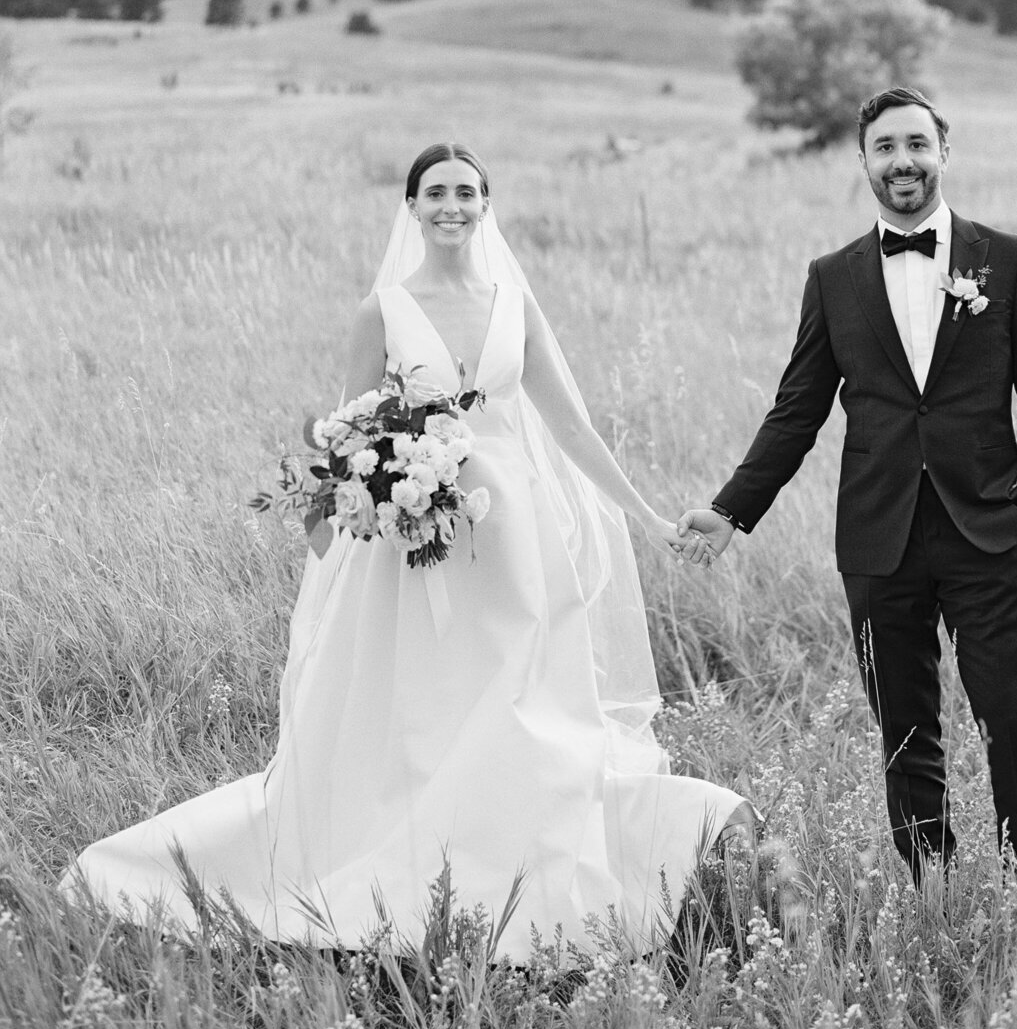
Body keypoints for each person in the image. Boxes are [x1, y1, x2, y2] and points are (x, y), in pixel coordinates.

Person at [65, 142, 752, 956]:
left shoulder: (516, 306)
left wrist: (650, 517)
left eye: (467, 192)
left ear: (486, 205)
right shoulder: (383, 310)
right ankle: (411, 841)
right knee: (424, 697)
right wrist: (337, 524)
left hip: (515, 539)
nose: (452, 205)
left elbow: (573, 429)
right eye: (436, 193)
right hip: (413, 540)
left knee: (523, 693)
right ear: (413, 207)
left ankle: (513, 835)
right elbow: (346, 432)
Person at [677, 87, 1017, 882]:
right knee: (904, 725)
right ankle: (931, 882)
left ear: (944, 152)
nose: (903, 162)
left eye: (917, 144)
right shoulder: (833, 277)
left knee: (1008, 714)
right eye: (886, 147)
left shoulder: (1009, 258)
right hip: (877, 536)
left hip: (989, 530)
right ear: (863, 161)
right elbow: (797, 412)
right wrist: (730, 510)